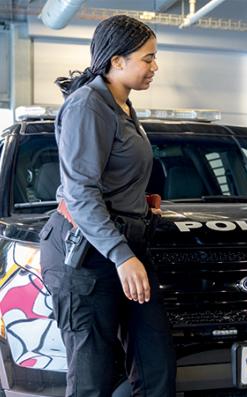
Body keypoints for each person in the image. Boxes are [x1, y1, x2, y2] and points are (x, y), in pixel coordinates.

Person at [39, 15, 175, 396]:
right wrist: (121, 254)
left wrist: (141, 205)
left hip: (126, 245)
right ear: (117, 61)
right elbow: (80, 192)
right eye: (147, 58)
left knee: (156, 367)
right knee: (92, 381)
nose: (155, 66)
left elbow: (113, 176)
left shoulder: (124, 106)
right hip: (85, 255)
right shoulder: (88, 106)